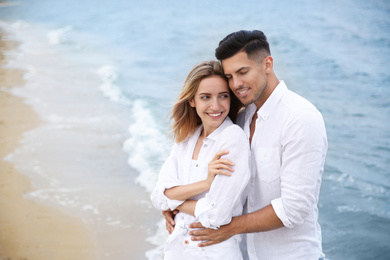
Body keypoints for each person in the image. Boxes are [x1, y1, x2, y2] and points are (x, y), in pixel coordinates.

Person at [165, 30, 328, 259]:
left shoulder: (300, 118)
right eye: (229, 76)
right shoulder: (241, 116)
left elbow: (295, 208)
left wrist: (230, 228)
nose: (235, 84)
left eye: (243, 72)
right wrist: (174, 207)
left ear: (267, 64)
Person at [151, 60, 251, 259]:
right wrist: (205, 183)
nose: (216, 106)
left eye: (223, 96)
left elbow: (216, 215)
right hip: (178, 251)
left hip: (213, 253)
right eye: (206, 97)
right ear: (192, 100)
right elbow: (157, 197)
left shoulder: (232, 138)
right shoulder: (187, 138)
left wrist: (173, 202)